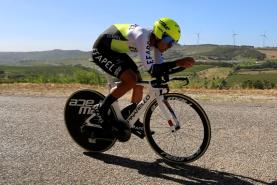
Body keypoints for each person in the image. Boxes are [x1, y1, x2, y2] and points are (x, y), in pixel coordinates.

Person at [91, 17, 195, 140]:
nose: (170, 46)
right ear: (159, 34)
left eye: (173, 43)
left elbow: (159, 69)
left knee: (138, 82)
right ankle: (101, 108)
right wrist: (177, 62)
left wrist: (164, 81)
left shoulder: (156, 43)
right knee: (131, 79)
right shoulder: (142, 36)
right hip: (102, 49)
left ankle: (133, 117)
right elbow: (152, 69)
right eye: (169, 40)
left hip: (116, 51)